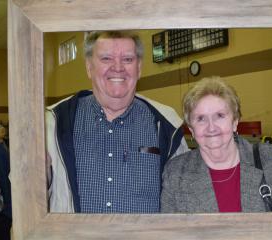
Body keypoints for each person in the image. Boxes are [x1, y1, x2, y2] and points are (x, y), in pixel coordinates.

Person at [46, 31, 188, 213]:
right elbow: (26, 197)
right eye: (106, 58)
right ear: (89, 67)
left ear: (139, 68)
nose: (118, 67)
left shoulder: (167, 125)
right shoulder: (53, 123)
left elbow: (184, 197)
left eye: (128, 59)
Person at [161, 76, 272, 213]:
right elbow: (169, 232)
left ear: (235, 121)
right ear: (191, 129)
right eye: (201, 119)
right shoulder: (175, 173)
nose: (211, 127)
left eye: (220, 116)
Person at [0, 124, 12, 240]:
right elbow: (1, 170)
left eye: (3, 130)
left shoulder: (4, 144)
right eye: (1, 130)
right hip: (3, 179)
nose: (3, 131)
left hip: (8, 177)